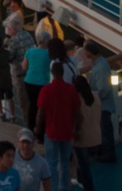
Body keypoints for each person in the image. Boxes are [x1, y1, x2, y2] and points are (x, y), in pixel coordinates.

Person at [34, 59, 79, 190]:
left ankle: (52, 188)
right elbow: (77, 111)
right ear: (62, 72)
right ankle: (64, 187)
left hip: (51, 130)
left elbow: (40, 113)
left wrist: (37, 129)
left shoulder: (46, 89)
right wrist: (75, 128)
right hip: (67, 130)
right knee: (65, 162)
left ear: (52, 73)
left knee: (51, 163)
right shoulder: (70, 89)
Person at [21, 32, 52, 132]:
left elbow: (24, 67)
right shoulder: (49, 54)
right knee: (42, 107)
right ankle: (41, 130)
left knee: (32, 105)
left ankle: (30, 127)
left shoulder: (30, 51)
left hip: (29, 81)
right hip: (43, 83)